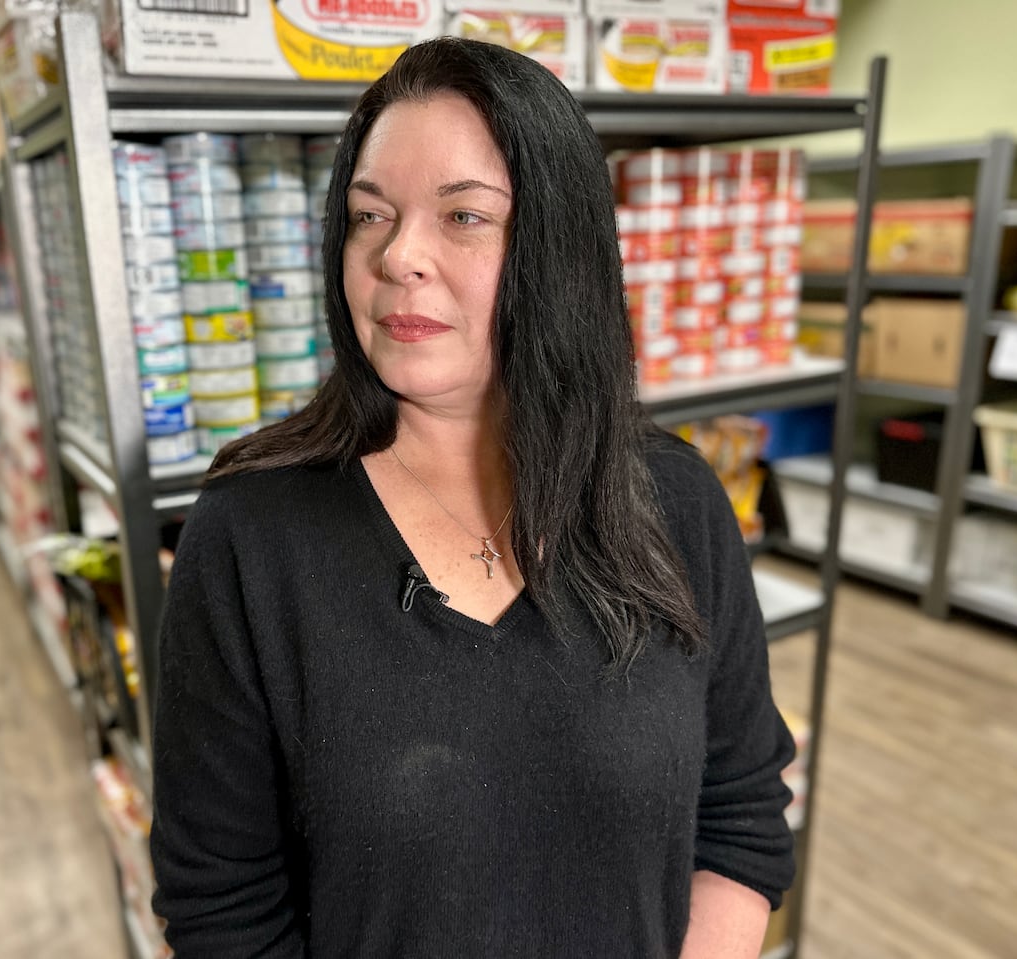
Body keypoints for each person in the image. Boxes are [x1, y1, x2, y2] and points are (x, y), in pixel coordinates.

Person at [150, 37, 795, 959]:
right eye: (370, 216)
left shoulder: (676, 500)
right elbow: (222, 911)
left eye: (462, 217)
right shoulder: (251, 537)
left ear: (559, 247)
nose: (398, 255)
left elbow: (740, 816)